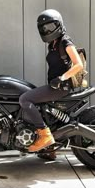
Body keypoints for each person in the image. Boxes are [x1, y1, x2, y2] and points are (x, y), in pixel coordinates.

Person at [19, 9, 83, 158]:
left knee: (24, 99)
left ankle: (44, 136)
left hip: (61, 87)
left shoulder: (65, 41)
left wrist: (62, 78)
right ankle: (50, 150)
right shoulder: (53, 44)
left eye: (50, 27)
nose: (47, 30)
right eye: (44, 28)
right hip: (54, 86)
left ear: (59, 25)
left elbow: (78, 64)